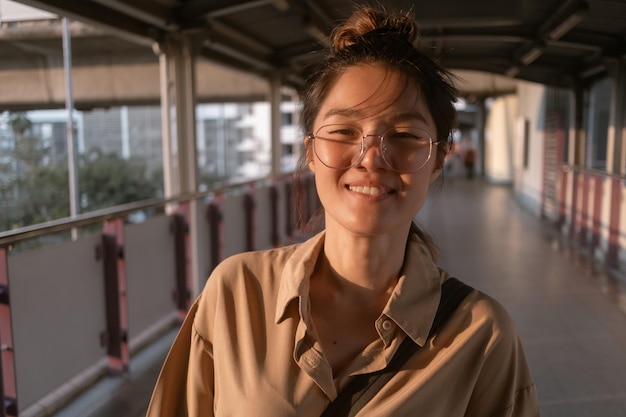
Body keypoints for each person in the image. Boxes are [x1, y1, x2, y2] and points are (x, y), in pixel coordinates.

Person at [146, 5, 539, 417]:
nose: (371, 159)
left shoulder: (480, 333)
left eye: (404, 135)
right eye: (343, 132)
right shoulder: (238, 294)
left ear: (439, 158)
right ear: (311, 151)